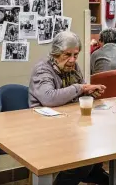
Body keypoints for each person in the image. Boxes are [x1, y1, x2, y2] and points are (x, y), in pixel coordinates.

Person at [28, 31, 109, 185]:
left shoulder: (73, 67)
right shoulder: (42, 69)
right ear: (56, 53)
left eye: (76, 55)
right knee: (82, 158)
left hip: (69, 123)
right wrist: (81, 88)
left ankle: (94, 172)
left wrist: (91, 93)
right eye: (67, 55)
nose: (72, 60)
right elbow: (48, 97)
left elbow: (81, 91)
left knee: (99, 141)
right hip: (44, 127)